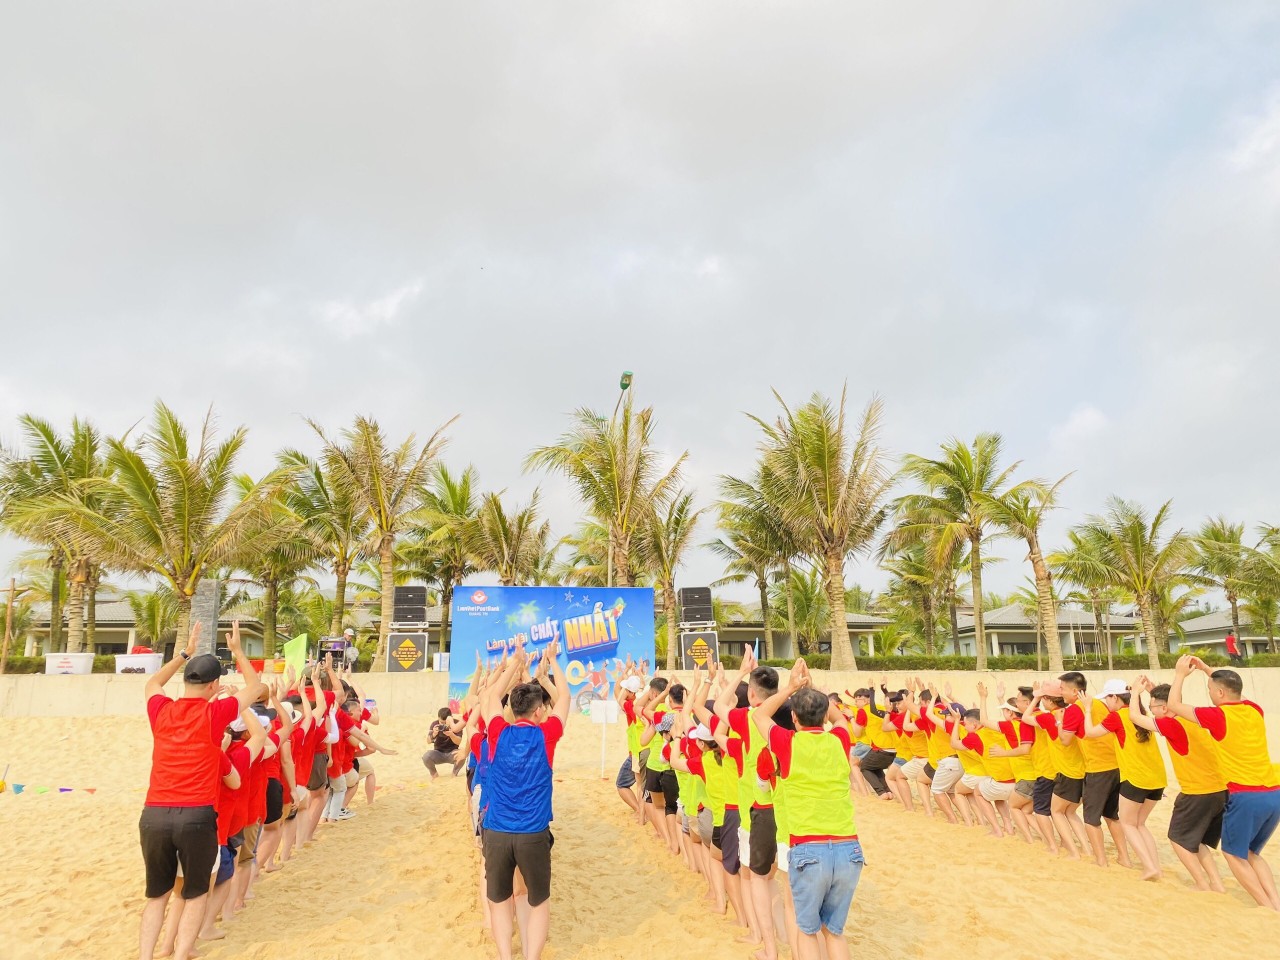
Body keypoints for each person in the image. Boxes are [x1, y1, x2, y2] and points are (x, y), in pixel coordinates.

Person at [138, 621, 264, 960]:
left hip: (153, 814)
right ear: (214, 686)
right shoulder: (214, 712)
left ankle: (145, 956)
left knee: (157, 896)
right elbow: (256, 687)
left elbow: (152, 683)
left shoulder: (161, 709)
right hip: (196, 815)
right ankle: (180, 955)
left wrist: (183, 654)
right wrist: (237, 651)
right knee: (195, 894)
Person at [752, 659, 863, 960]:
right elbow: (840, 721)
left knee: (806, 930)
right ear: (823, 716)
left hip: (809, 847)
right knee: (834, 932)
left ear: (795, 719)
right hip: (848, 847)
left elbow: (760, 714)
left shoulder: (787, 743)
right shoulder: (839, 740)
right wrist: (813, 689)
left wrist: (791, 686)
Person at [1166, 656, 1280, 911]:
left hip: (1246, 795)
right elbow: (1228, 683)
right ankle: (1275, 903)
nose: (1209, 695)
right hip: (1274, 791)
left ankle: (1266, 907)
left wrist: (1180, 674)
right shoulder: (1254, 709)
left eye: (1210, 691)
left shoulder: (1217, 716)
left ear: (1219, 693)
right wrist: (1207, 670)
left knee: (1233, 854)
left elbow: (1174, 704)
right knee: (1252, 853)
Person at [480, 639, 569, 960]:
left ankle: (506, 957)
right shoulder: (547, 735)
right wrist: (551, 666)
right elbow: (567, 698)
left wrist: (515, 664)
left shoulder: (496, 731)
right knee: (537, 900)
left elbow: (489, 696)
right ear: (538, 710)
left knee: (500, 901)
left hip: (497, 833)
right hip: (532, 834)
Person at [1129, 677, 1228, 892]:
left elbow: (1135, 717)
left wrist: (1135, 693)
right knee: (1199, 841)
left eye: (1152, 707)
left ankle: (1202, 883)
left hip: (1197, 792)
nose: (1151, 710)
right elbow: (1170, 703)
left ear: (1164, 707)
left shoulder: (1170, 723)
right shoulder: (1193, 718)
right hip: (1221, 789)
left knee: (1179, 839)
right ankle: (1216, 883)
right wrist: (1154, 690)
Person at [1084, 678, 1167, 880]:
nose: (1106, 704)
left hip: (1135, 777)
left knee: (1129, 824)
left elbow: (1089, 733)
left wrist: (1087, 710)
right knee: (1140, 824)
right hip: (1157, 777)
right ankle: (1155, 866)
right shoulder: (1142, 714)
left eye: (1108, 699)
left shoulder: (1118, 716)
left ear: (1115, 697)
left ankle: (1149, 867)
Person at [1060, 671, 1131, 869]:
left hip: (1097, 768)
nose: (1061, 693)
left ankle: (1101, 860)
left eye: (1063, 689)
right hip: (1116, 765)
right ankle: (1124, 857)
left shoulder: (1075, 708)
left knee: (1091, 818)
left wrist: (1060, 722)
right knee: (1111, 814)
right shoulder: (1103, 704)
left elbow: (1065, 740)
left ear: (1075, 691)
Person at [422, 706, 465, 778]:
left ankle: (454, 774)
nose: (443, 725)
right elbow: (428, 741)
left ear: (450, 718)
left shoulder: (456, 724)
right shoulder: (435, 724)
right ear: (438, 718)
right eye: (441, 722)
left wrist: (451, 734)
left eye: (445, 723)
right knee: (426, 756)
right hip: (438, 752)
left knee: (462, 755)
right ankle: (434, 775)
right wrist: (434, 734)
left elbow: (458, 742)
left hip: (452, 752)